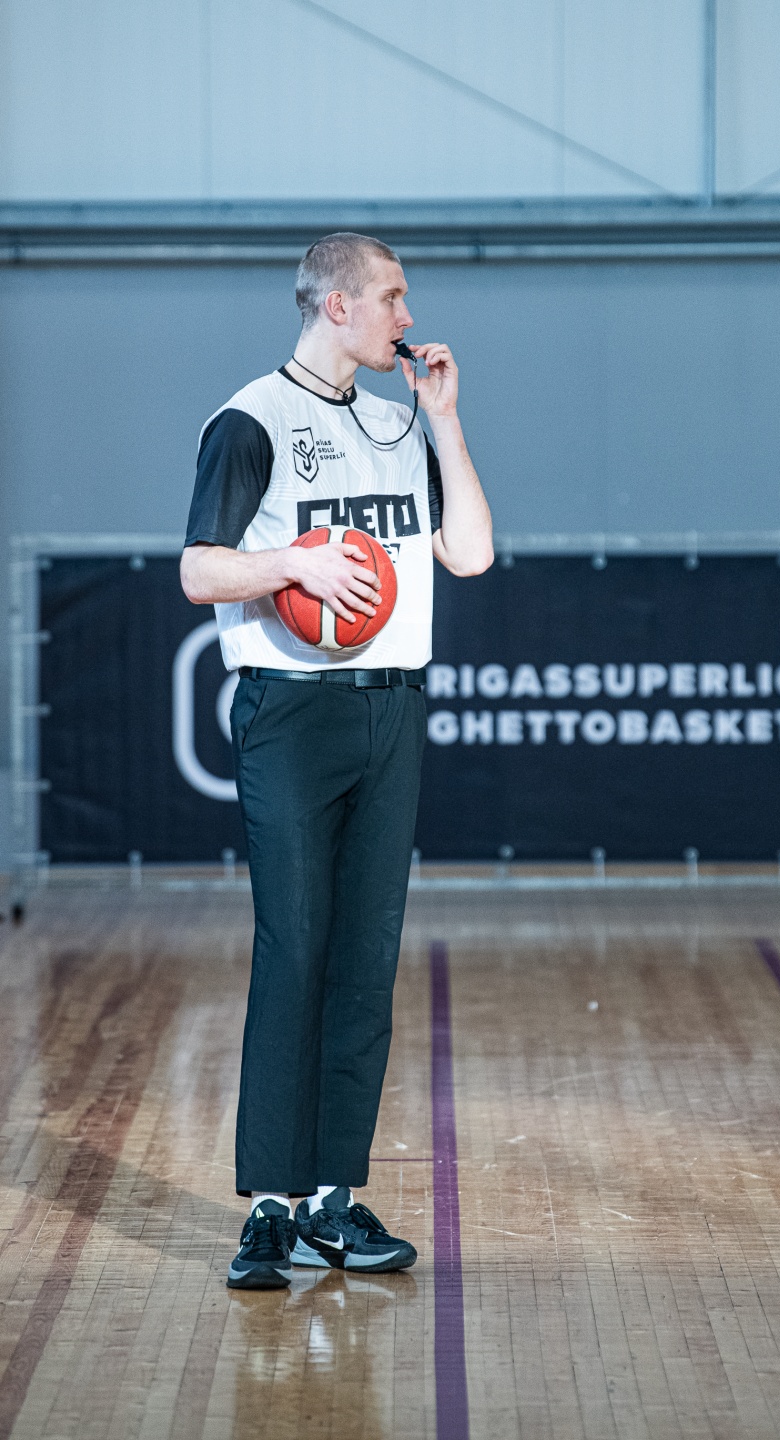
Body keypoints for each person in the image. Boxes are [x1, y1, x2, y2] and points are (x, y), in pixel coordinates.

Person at [180, 232, 493, 1289]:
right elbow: (198, 572)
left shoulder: (401, 426)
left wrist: (445, 422)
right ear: (337, 305)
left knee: (366, 957)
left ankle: (331, 1199)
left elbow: (471, 553)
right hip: (291, 710)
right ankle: (267, 1208)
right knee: (295, 946)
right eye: (393, 297)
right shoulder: (249, 420)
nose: (408, 317)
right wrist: (293, 564)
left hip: (392, 707)